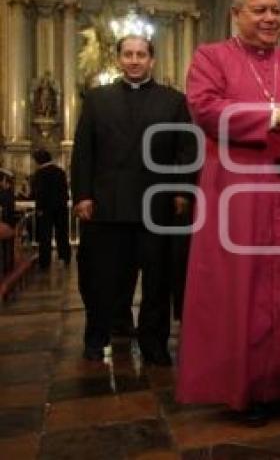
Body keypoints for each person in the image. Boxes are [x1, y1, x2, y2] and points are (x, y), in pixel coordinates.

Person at [176, 0, 280, 426]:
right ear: (237, 15)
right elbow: (205, 109)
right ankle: (246, 388)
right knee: (244, 290)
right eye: (260, 10)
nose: (270, 19)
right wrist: (273, 114)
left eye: (276, 11)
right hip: (236, 196)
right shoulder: (211, 58)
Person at [71, 34, 195, 364]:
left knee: (157, 281)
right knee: (101, 279)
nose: (135, 60)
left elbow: (187, 150)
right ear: (118, 59)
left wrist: (183, 190)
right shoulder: (97, 99)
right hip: (107, 207)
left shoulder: (174, 101)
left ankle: (154, 344)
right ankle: (96, 338)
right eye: (128, 54)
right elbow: (84, 151)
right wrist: (82, 194)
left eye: (141, 54)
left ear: (152, 60)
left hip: (157, 206)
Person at [30, 149, 70, 270]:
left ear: (38, 161)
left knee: (45, 236)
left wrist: (39, 208)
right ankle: (65, 257)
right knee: (62, 233)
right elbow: (65, 192)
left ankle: (44, 262)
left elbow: (39, 193)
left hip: (45, 209)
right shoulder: (60, 172)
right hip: (61, 208)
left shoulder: (39, 173)